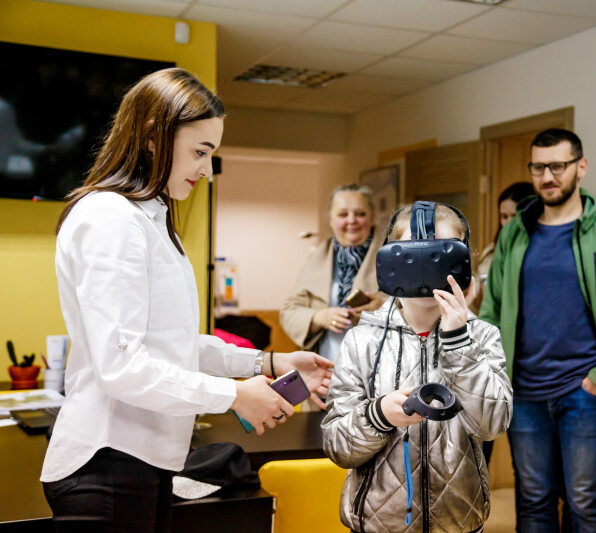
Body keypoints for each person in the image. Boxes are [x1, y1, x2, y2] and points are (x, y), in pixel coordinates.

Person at [40, 68, 334, 532]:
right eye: (200, 152)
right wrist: (235, 395)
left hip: (143, 460)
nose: (206, 170)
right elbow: (122, 367)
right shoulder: (111, 218)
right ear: (152, 137)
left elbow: (171, 343)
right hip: (108, 460)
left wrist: (268, 363)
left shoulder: (150, 220)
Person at [479, 128, 596, 532]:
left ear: (580, 166)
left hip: (585, 392)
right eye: (538, 167)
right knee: (533, 499)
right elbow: (492, 309)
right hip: (524, 392)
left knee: (587, 503)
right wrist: (497, 373)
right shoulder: (516, 231)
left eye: (558, 166)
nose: (547, 176)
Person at [321, 203, 513, 533]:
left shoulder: (482, 336)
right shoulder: (362, 341)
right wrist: (378, 415)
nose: (426, 268)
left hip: (458, 521)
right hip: (378, 523)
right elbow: (338, 448)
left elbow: (492, 426)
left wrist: (459, 343)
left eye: (442, 253)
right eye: (412, 253)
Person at [280, 184, 385, 362]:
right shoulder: (317, 256)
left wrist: (382, 308)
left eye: (360, 214)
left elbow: (416, 309)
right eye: (343, 214)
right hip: (325, 365)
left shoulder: (392, 254)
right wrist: (317, 317)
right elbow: (289, 312)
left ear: (372, 217)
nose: (352, 220)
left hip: (377, 364)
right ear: (331, 220)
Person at [471, 181, 535, 315]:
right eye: (504, 216)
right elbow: (475, 300)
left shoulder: (536, 250)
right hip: (487, 317)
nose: (509, 223)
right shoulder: (491, 251)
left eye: (514, 216)